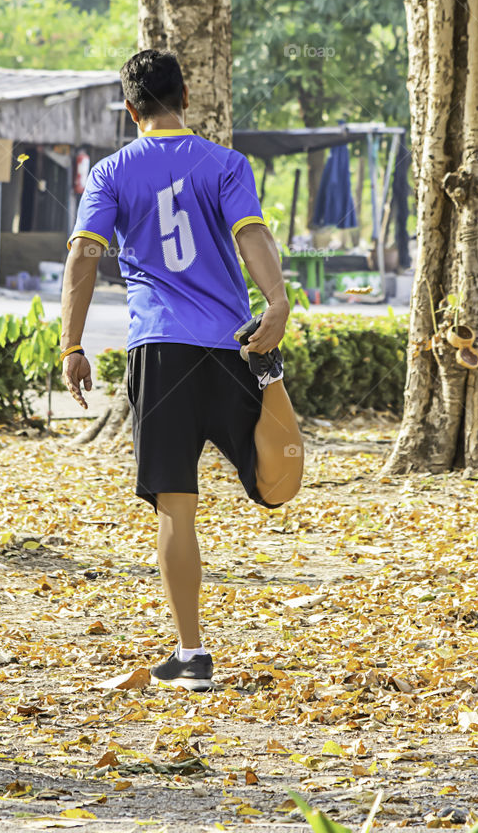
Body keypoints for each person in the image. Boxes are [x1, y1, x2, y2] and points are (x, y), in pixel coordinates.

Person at [60, 50, 304, 690]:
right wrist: (276, 302)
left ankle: (192, 655)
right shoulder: (225, 164)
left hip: (159, 351)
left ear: (130, 109)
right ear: (187, 95)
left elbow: (84, 257)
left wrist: (71, 345)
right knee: (277, 483)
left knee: (177, 505)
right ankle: (272, 377)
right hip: (229, 346)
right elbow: (252, 235)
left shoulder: (111, 172)